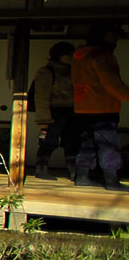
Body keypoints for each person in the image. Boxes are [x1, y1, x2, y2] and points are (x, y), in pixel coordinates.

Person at [72, 23, 129, 190]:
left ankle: (82, 176)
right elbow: (112, 84)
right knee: (108, 143)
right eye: (114, 36)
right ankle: (111, 181)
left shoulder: (79, 55)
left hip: (82, 107)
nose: (116, 40)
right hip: (103, 107)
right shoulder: (102, 56)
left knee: (86, 143)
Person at [31, 41, 79, 179]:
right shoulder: (46, 72)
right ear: (58, 55)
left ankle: (73, 171)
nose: (71, 56)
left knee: (72, 141)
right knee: (48, 141)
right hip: (53, 111)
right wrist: (43, 120)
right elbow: (41, 96)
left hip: (71, 110)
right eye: (67, 54)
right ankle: (41, 169)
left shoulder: (73, 71)